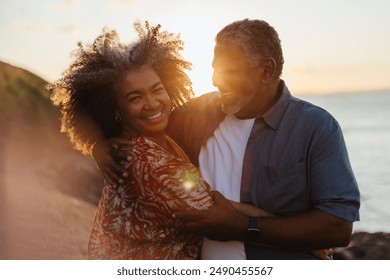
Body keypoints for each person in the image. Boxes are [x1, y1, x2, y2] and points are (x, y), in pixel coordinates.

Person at [84, 19, 360, 259]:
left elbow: (337, 227)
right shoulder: (196, 115)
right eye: (214, 68)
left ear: (266, 70)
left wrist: (245, 226)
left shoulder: (315, 128)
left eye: (228, 71)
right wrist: (100, 145)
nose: (215, 80)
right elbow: (140, 127)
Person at [47, 21, 218, 259]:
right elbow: (218, 217)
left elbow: (214, 102)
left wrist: (98, 146)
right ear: (116, 110)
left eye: (157, 89)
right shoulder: (143, 160)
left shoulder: (157, 138)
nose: (152, 103)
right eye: (135, 97)